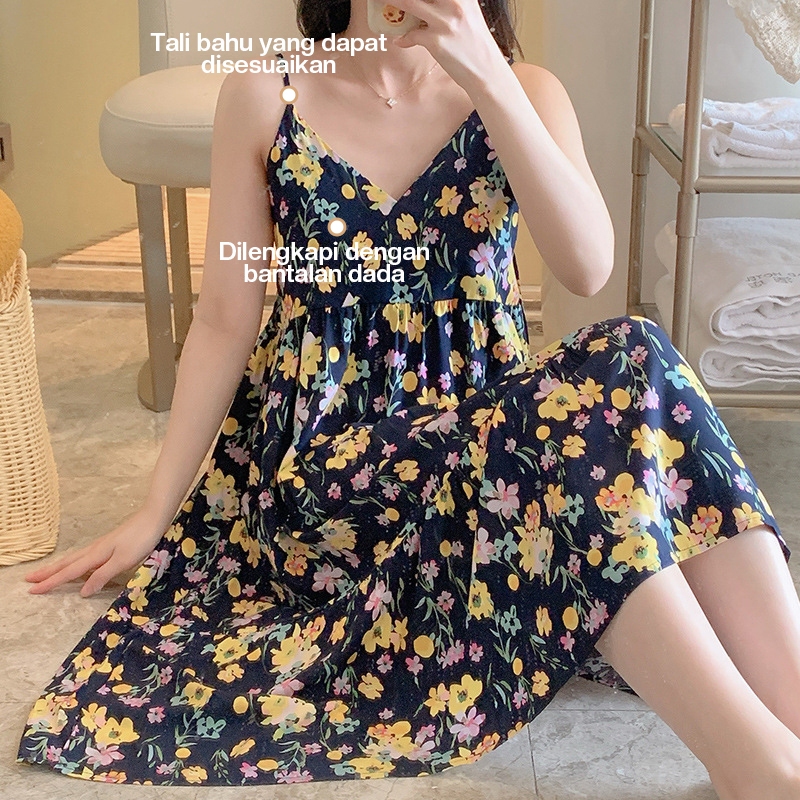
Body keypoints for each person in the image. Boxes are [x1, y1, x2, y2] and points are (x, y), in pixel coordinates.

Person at [14, 1, 800, 796]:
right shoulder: (266, 94)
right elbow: (223, 319)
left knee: (635, 353)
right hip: (329, 476)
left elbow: (587, 266)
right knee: (559, 450)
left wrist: (485, 73)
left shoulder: (524, 89)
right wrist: (156, 509)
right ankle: (760, 770)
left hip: (492, 468)